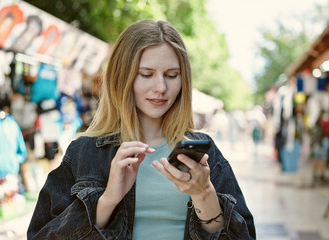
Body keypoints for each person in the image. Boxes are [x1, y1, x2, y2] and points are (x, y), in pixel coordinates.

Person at [27, 20, 255, 239]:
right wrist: (107, 200)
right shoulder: (83, 152)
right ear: (121, 77)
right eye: (146, 74)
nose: (161, 88)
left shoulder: (206, 154)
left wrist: (204, 195)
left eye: (171, 75)